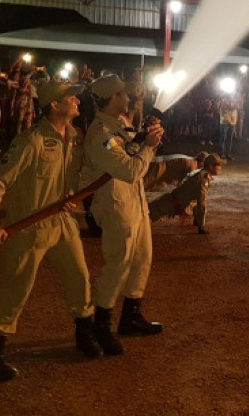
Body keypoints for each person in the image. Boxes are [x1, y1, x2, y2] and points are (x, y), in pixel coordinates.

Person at [0, 80, 101, 382]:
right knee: (14, 289)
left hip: (62, 224)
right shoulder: (30, 140)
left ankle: (84, 335)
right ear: (54, 106)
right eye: (69, 97)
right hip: (29, 228)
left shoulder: (74, 138)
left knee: (79, 279)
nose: (75, 100)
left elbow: (71, 178)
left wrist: (70, 196)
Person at [81, 74, 164, 356]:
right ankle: (101, 325)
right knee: (118, 264)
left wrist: (145, 137)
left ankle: (131, 316)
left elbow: (130, 151)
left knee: (142, 258)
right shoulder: (101, 135)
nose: (128, 98)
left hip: (135, 202)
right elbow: (129, 170)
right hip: (116, 205)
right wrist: (150, 147)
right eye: (123, 94)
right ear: (111, 99)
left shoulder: (120, 125)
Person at [148, 153, 225, 234]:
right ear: (210, 166)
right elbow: (201, 203)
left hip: (174, 201)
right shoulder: (203, 179)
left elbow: (196, 200)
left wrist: (197, 220)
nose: (220, 168)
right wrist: (201, 226)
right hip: (172, 203)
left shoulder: (202, 175)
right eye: (218, 165)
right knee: (145, 214)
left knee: (147, 212)